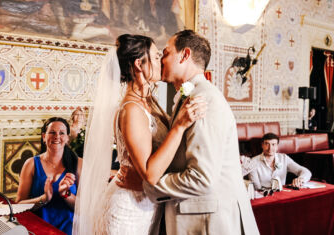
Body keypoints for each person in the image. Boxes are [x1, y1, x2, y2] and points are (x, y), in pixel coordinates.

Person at [73, 34, 205, 234]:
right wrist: (179, 126)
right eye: (154, 57)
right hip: (127, 209)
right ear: (138, 64)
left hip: (147, 205)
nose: (160, 61)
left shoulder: (149, 101)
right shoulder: (132, 110)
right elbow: (150, 174)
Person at [139, 30, 259, 234]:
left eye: (166, 53)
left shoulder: (203, 100)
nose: (162, 60)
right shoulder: (190, 95)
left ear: (184, 55)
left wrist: (150, 185)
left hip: (209, 223)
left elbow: (201, 179)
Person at [16, 117, 82, 235]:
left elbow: (84, 209)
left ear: (67, 138)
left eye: (62, 133)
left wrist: (66, 195)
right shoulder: (31, 164)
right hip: (36, 229)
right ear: (44, 137)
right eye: (52, 132)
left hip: (69, 230)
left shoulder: (79, 164)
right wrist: (44, 198)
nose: (57, 136)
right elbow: (19, 205)